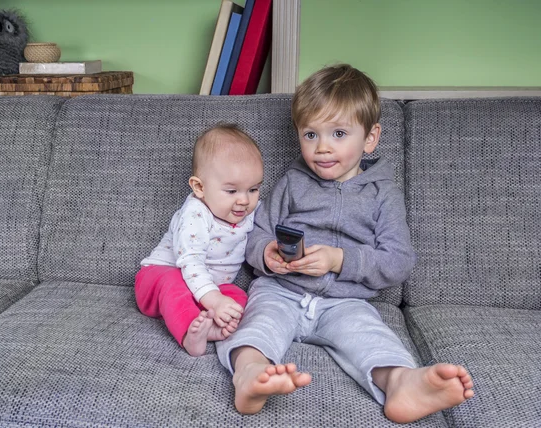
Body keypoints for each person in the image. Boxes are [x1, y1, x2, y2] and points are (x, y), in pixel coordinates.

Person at [215, 64, 474, 423]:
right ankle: (249, 375)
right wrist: (267, 254)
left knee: (371, 339)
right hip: (281, 290)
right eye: (310, 135)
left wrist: (340, 259)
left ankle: (401, 382)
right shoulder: (292, 181)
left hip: (345, 302)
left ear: (370, 138)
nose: (322, 148)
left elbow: (398, 261)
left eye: (338, 133)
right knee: (258, 325)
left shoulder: (382, 193)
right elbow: (256, 234)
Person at [135, 123, 264, 357]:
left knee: (240, 297)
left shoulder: (249, 210)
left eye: (253, 189)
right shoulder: (195, 214)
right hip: (158, 279)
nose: (244, 201)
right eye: (232, 191)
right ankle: (188, 335)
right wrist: (214, 300)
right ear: (199, 187)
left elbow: (269, 227)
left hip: (207, 291)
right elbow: (191, 261)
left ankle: (213, 329)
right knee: (172, 282)